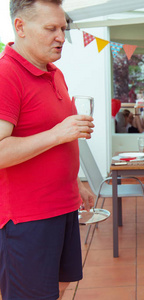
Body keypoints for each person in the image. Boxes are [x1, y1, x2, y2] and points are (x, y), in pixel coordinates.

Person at [0, 0, 95, 299]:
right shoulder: (6, 74)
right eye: (50, 29)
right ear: (20, 27)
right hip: (28, 217)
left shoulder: (55, 72)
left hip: (63, 205)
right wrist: (56, 134)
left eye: (63, 29)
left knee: (59, 286)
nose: (60, 37)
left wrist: (76, 182)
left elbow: (61, 142)